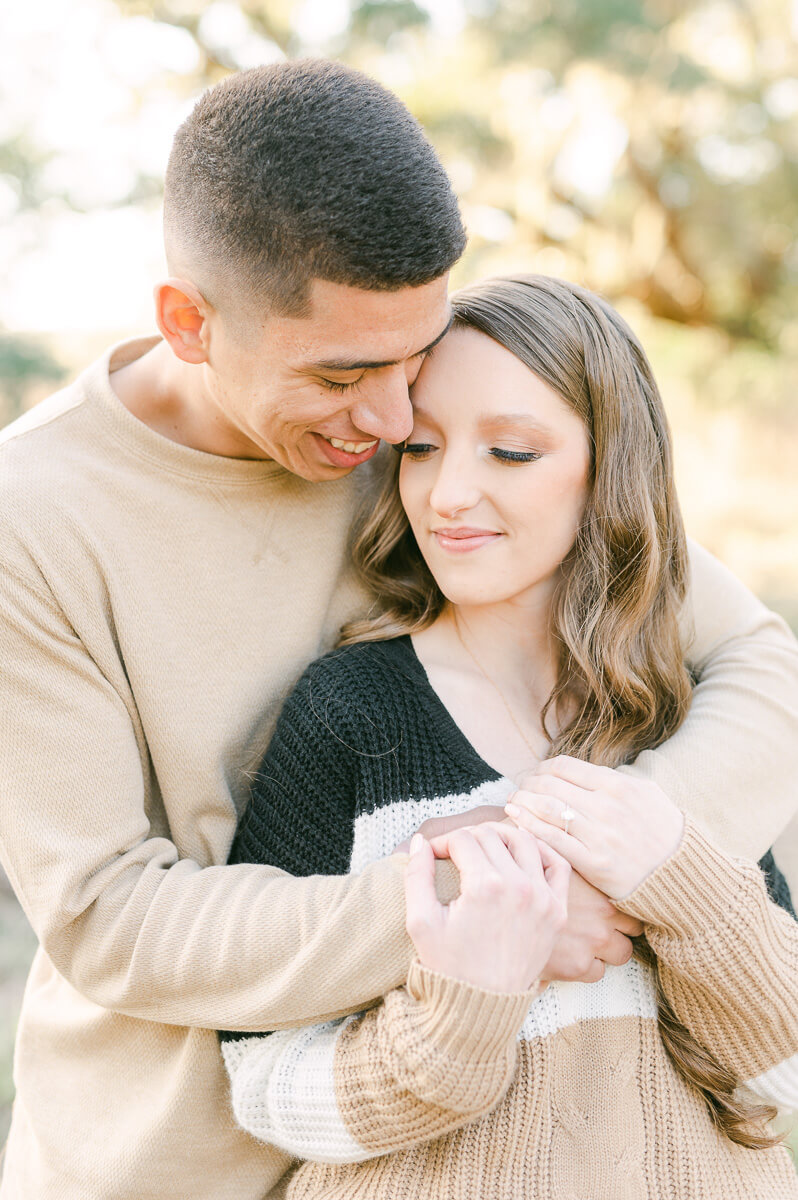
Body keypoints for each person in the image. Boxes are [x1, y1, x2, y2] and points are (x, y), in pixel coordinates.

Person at [0, 59, 796, 1200]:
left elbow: (756, 657)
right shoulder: (29, 522)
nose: (390, 421)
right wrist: (473, 905)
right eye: (343, 372)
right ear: (188, 322)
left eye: (412, 355)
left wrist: (629, 865)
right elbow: (108, 917)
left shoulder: (439, 449)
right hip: (182, 1162)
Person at [220, 275, 798, 1199]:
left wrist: (674, 874)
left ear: (610, 467)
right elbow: (260, 1081)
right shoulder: (352, 714)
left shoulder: (679, 721)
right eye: (420, 449)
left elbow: (785, 1080)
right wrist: (460, 1018)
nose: (449, 494)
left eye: (513, 452)